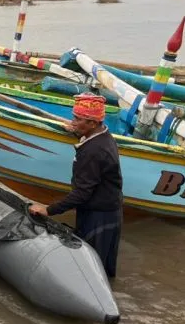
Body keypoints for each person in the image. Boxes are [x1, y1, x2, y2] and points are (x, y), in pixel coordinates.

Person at [29, 93, 123, 278]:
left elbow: (82, 193)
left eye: (78, 119)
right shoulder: (103, 135)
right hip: (110, 208)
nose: (73, 122)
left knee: (93, 270)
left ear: (92, 124)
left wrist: (49, 209)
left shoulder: (93, 151)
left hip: (99, 215)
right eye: (73, 117)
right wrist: (76, 130)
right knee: (104, 264)